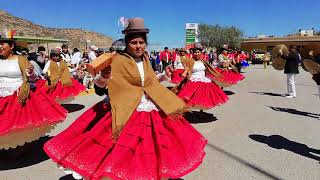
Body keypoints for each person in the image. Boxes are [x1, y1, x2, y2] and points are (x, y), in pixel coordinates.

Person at [43, 17, 207, 180]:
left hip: (148, 107)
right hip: (124, 108)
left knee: (154, 150)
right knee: (120, 153)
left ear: (146, 44)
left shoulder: (145, 60)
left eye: (141, 43)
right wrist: (104, 77)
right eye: (134, 42)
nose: (138, 46)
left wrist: (165, 75)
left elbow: (148, 83)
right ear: (127, 43)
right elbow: (100, 89)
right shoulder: (117, 60)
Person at [0, 33, 67, 150]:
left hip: (18, 95)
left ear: (11, 46)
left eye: (2, 44)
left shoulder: (21, 60)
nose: (0, 47)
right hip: (1, 95)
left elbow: (34, 78)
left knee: (17, 124)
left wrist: (31, 72)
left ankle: (18, 147)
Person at [174, 43, 230, 109]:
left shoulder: (204, 61)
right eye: (195, 52)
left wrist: (215, 74)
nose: (197, 54)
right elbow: (187, 69)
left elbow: (209, 69)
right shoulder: (190, 61)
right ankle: (196, 111)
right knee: (192, 98)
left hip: (204, 80)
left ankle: (201, 111)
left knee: (204, 97)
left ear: (201, 53)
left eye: (198, 52)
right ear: (193, 53)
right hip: (193, 80)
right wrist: (184, 74)